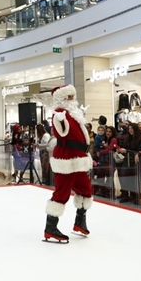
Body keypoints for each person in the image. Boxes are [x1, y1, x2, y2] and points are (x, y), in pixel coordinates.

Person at [44, 85, 93, 242]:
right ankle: (50, 227)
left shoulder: (74, 114)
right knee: (62, 191)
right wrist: (60, 121)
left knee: (85, 189)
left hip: (79, 158)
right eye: (68, 97)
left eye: (73, 96)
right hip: (66, 158)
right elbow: (61, 132)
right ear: (61, 99)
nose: (72, 99)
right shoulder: (60, 113)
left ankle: (80, 221)